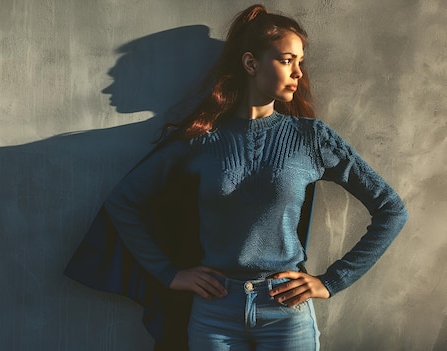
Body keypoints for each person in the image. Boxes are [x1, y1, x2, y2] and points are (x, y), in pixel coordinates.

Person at [66, 4, 408, 351]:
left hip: (286, 311)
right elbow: (123, 202)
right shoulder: (201, 139)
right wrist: (169, 273)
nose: (298, 73)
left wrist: (331, 281)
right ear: (250, 63)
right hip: (214, 312)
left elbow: (391, 209)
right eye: (287, 60)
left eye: (300, 63)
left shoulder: (313, 138)